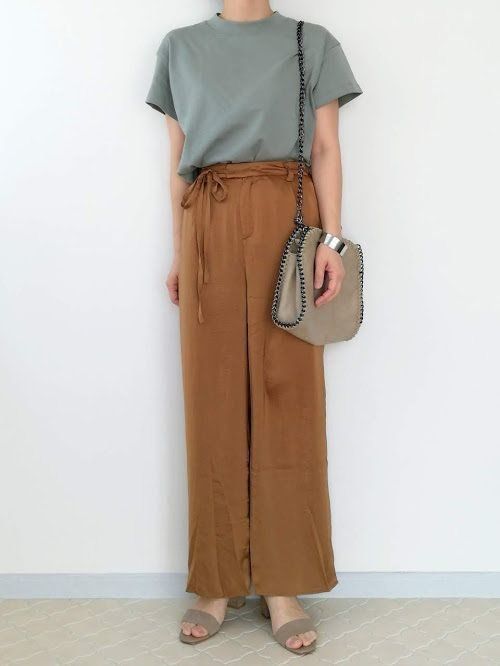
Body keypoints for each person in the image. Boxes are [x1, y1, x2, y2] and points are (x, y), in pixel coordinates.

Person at [146, 0, 362, 655]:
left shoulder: (310, 41)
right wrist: (180, 251)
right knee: (211, 400)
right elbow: (179, 159)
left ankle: (283, 583)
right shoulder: (179, 47)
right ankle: (215, 581)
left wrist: (332, 240)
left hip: (285, 222)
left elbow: (325, 147)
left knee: (287, 399)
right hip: (207, 222)